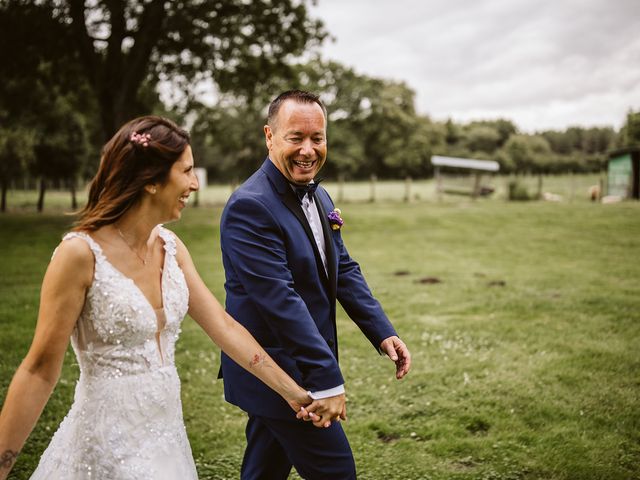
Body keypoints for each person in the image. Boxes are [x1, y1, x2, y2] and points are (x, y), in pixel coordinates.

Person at [0, 115, 313, 480]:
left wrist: (292, 392)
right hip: (103, 445)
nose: (195, 184)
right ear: (150, 180)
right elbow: (38, 371)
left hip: (166, 439)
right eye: (186, 171)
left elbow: (225, 327)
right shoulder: (79, 255)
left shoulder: (171, 247)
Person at [219, 90, 412, 479]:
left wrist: (382, 331)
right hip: (282, 373)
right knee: (337, 473)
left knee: (264, 471)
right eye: (296, 138)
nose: (308, 150)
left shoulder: (320, 195)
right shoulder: (250, 206)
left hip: (291, 370)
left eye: (317, 138)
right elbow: (280, 302)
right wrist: (326, 380)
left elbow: (341, 266)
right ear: (270, 137)